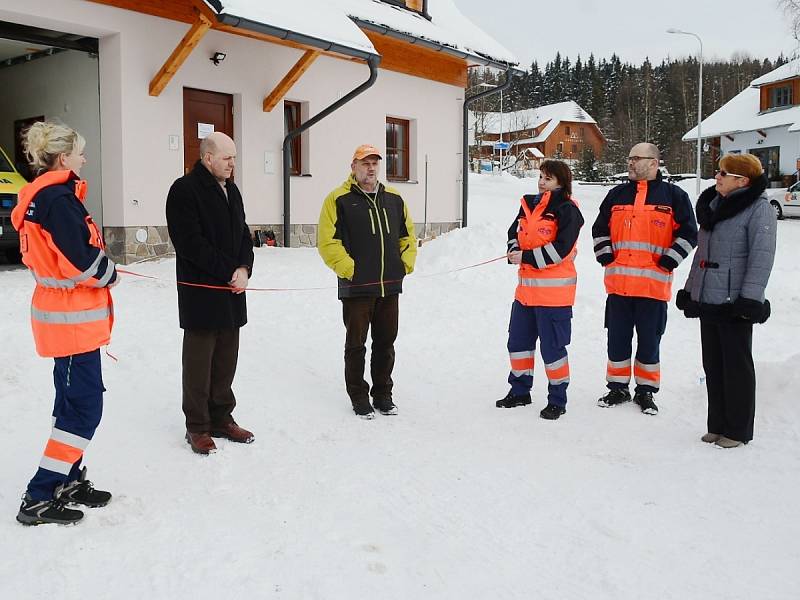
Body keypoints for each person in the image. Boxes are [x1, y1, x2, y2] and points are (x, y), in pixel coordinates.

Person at [11, 121, 116, 525]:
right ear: (62, 157)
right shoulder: (57, 199)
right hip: (71, 322)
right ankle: (39, 495)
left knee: (70, 404)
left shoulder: (51, 196)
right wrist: (108, 272)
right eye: (79, 152)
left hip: (70, 320)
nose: (84, 159)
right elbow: (81, 258)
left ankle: (66, 479)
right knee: (83, 410)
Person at [676, 154, 775, 448]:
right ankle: (717, 424)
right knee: (714, 365)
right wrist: (691, 290)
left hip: (735, 303)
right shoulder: (715, 206)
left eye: (724, 173)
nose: (716, 177)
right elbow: (702, 256)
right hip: (709, 298)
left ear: (742, 181)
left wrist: (750, 300)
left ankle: (737, 430)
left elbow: (762, 259)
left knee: (736, 367)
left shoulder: (759, 209)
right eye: (718, 172)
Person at [166, 132, 255, 454]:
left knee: (226, 360)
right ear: (207, 158)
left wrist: (244, 268)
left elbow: (245, 234)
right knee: (199, 362)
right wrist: (228, 271)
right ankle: (198, 426)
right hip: (202, 292)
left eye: (234, 157)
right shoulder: (184, 190)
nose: (233, 163)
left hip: (232, 291)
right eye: (227, 157)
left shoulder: (232, 190)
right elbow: (190, 243)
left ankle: (222, 417)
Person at [592, 143, 697, 415]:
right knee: (617, 339)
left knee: (649, 341)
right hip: (619, 287)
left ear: (653, 163)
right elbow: (599, 227)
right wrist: (605, 254)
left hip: (652, 287)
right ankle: (617, 387)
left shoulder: (674, 196)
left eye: (636, 158)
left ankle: (646, 391)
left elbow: (689, 233)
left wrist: (670, 259)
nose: (630, 162)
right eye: (629, 157)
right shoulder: (616, 194)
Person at [318, 144, 417, 419]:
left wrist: (404, 264)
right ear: (353, 167)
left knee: (386, 343)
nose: (370, 168)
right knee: (356, 344)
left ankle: (383, 394)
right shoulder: (338, 199)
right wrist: (350, 269)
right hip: (357, 288)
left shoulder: (394, 198)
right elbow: (327, 242)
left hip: (389, 286)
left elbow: (407, 235)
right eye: (365, 163)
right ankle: (358, 396)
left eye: (374, 163)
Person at [497, 160, 584, 420]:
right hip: (525, 295)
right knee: (518, 345)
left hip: (554, 298)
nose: (542, 182)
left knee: (553, 350)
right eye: (541, 177)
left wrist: (525, 257)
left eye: (548, 178)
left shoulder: (568, 210)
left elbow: (561, 249)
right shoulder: (528, 204)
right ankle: (520, 391)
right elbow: (514, 232)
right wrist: (513, 249)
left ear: (561, 182)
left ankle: (557, 399)